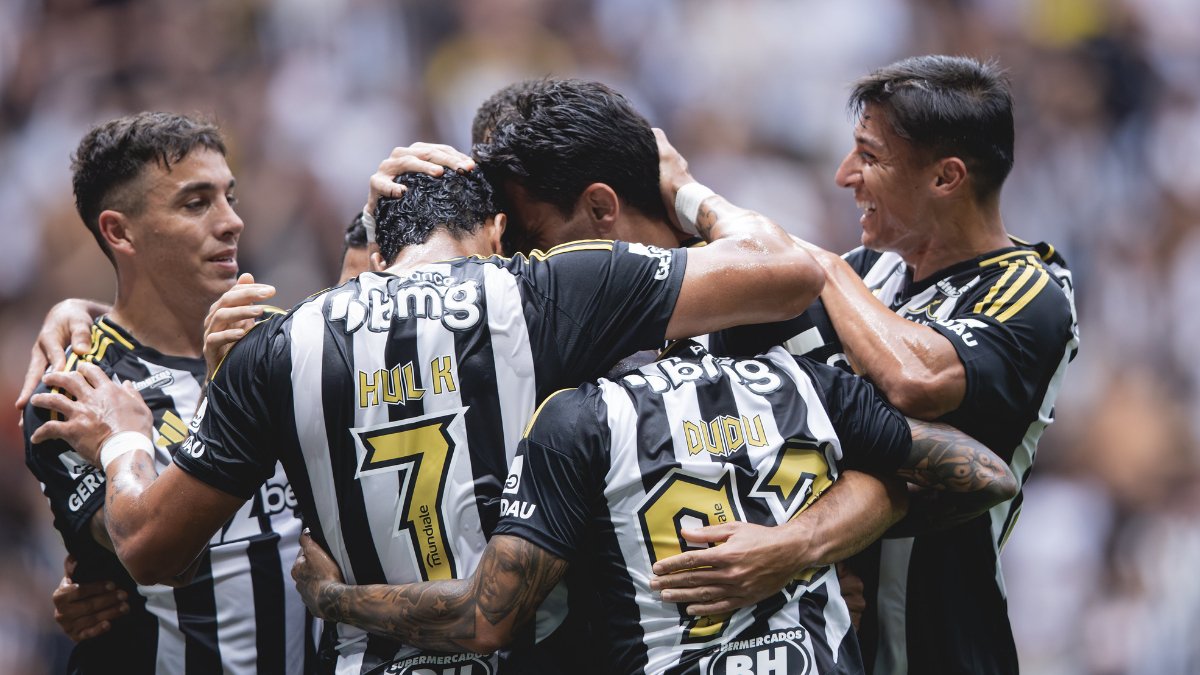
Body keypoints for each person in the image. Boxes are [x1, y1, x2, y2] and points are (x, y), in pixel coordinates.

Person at [30, 137, 826, 675]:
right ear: (497, 229)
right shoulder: (545, 289)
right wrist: (683, 190)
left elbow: (149, 546)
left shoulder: (281, 346)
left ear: (376, 248)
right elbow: (786, 270)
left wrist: (125, 441)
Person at [649, 56, 1080, 675]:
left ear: (946, 177)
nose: (843, 175)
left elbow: (918, 379)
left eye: (869, 157)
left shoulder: (1032, 292)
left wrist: (816, 262)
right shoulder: (869, 271)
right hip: (829, 635)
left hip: (945, 647)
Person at [290, 338, 1017, 675]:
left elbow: (485, 617)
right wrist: (811, 536)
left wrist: (333, 596)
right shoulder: (802, 385)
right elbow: (984, 475)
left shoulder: (578, 417)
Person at [22, 112, 310, 674]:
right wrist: (224, 395)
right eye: (196, 203)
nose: (232, 223)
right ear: (119, 231)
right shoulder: (78, 388)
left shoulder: (289, 341)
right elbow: (157, 555)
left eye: (229, 196)